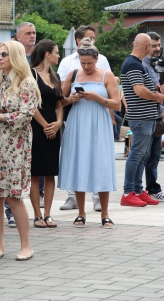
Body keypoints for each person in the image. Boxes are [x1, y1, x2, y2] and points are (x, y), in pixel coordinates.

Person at [0, 40, 40, 261]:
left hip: (15, 147)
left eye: (4, 54)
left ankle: (26, 245)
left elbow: (26, 115)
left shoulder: (26, 83)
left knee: (14, 197)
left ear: (15, 56)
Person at [58, 39, 119, 228]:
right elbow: (60, 101)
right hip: (78, 122)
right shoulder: (73, 74)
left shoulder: (107, 75)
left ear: (97, 59)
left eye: (89, 63)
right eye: (83, 63)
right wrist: (72, 98)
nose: (86, 67)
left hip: (99, 123)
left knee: (101, 163)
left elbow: (117, 103)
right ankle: (81, 213)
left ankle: (105, 214)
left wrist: (97, 97)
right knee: (79, 162)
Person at [120, 33, 164, 207]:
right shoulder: (132, 64)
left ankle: (138, 190)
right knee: (137, 154)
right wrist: (157, 96)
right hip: (140, 117)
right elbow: (139, 91)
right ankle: (128, 192)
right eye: (152, 46)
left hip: (146, 116)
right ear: (147, 47)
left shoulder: (136, 64)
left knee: (143, 155)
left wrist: (154, 88)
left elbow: (141, 87)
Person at [29, 40, 63, 229]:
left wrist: (57, 123)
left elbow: (59, 104)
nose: (59, 55)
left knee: (50, 173)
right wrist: (45, 126)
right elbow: (31, 104)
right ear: (47, 54)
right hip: (37, 128)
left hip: (54, 128)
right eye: (56, 52)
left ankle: (48, 214)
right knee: (35, 173)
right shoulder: (31, 74)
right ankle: (36, 215)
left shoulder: (55, 76)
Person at [141, 31, 164, 203]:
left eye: (159, 45)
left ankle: (152, 189)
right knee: (143, 156)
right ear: (146, 46)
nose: (157, 49)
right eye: (153, 45)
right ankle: (137, 190)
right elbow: (146, 94)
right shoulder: (142, 65)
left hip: (158, 116)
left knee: (154, 156)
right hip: (146, 116)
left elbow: (161, 93)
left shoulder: (156, 66)